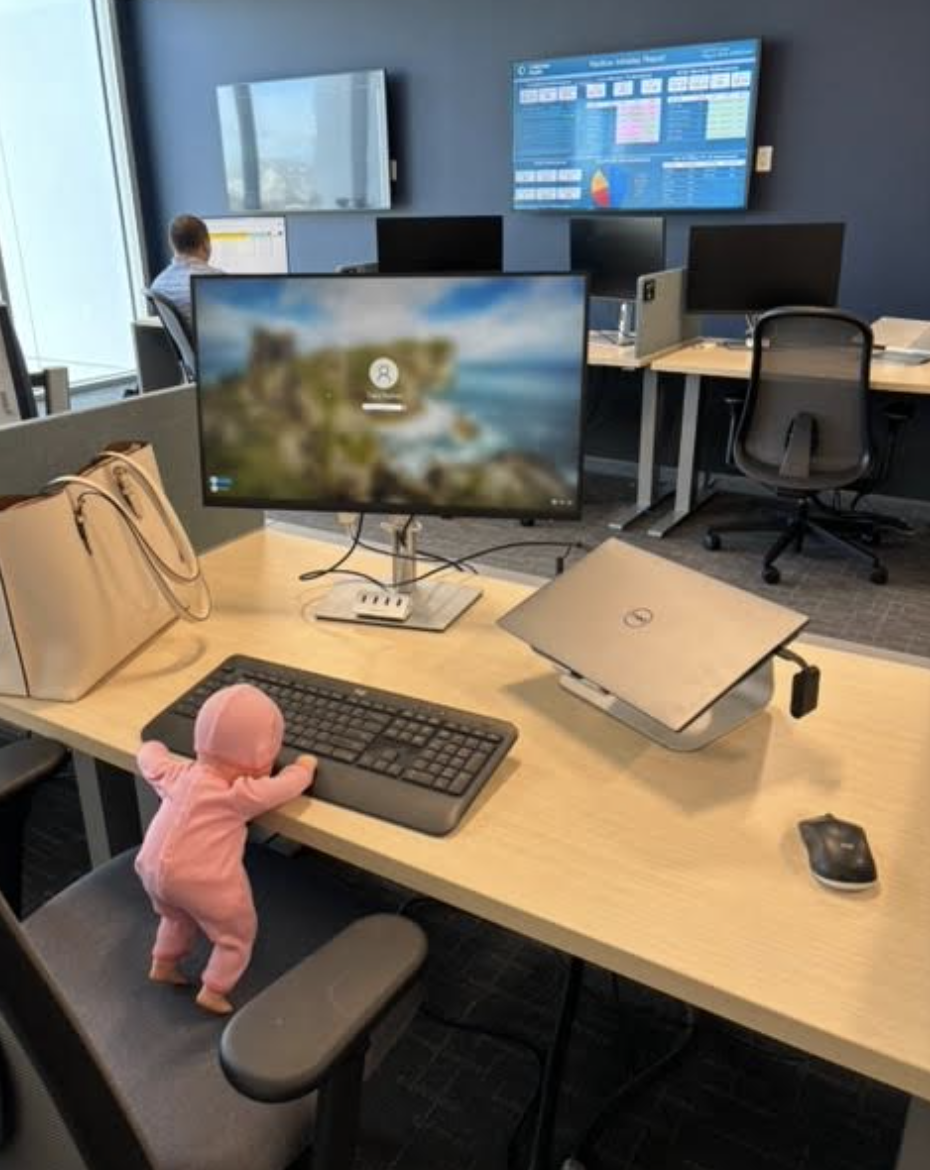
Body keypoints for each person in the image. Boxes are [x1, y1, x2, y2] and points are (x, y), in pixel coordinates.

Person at [135, 683, 316, 1014]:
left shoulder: (177, 773)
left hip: (151, 870)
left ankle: (163, 963)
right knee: (236, 934)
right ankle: (214, 989)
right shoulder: (238, 794)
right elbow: (285, 787)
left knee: (176, 916)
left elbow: (149, 758)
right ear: (263, 755)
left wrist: (154, 744)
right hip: (203, 882)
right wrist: (302, 768)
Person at [149, 214, 223, 333]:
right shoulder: (219, 281)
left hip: (184, 351)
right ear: (205, 244)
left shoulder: (157, 285)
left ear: (172, 245)